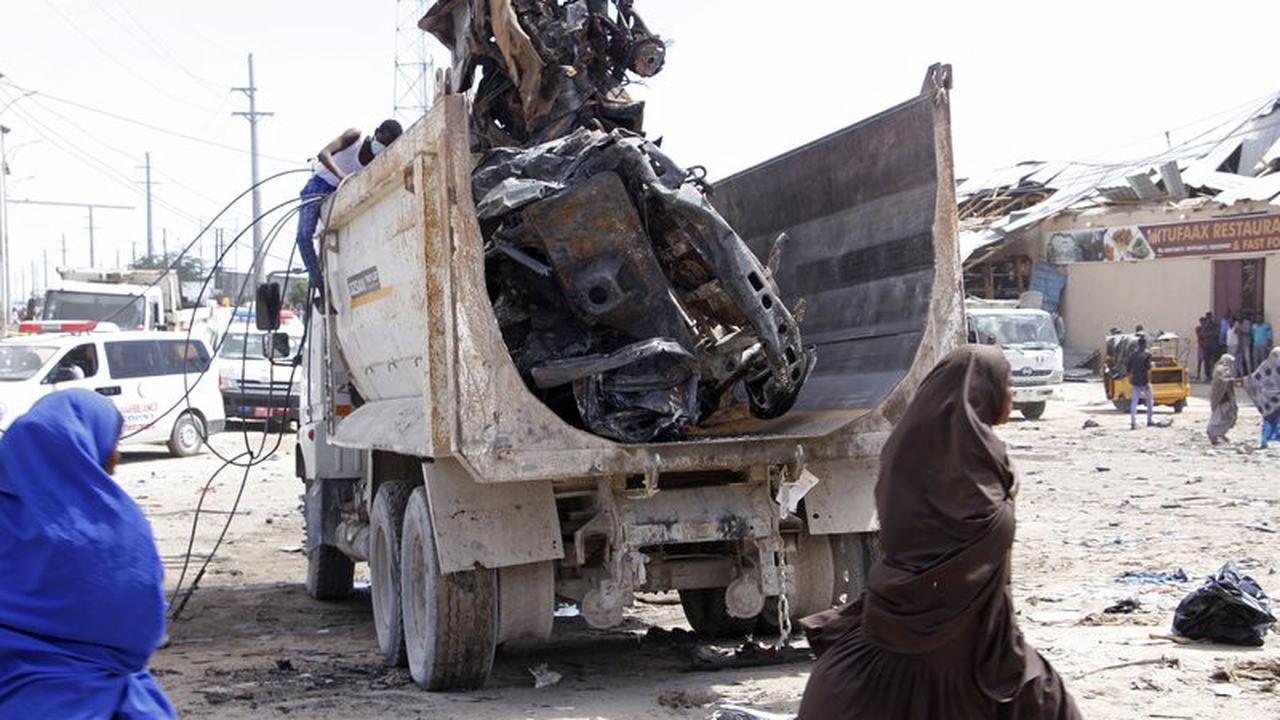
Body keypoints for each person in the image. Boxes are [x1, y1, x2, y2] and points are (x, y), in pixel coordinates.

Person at [797, 346, 1081, 720]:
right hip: (966, 640)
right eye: (1007, 383)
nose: (1012, 394)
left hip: (901, 622)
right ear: (982, 390)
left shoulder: (905, 452)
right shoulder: (978, 466)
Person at [0, 390, 175, 719]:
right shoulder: (114, 527)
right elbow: (139, 632)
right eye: (114, 442)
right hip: (97, 702)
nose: (117, 456)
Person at [295, 119, 404, 289]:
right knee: (303, 236)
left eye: (387, 146)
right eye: (383, 141)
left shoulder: (376, 163)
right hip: (319, 186)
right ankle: (319, 284)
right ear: (376, 132)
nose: (383, 147)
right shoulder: (354, 137)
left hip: (340, 196)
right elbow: (323, 154)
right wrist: (342, 178)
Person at [1244, 347, 1280, 449]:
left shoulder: (1265, 365)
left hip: (1267, 402)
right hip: (1277, 399)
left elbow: (1253, 379)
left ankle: (1264, 441)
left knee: (1268, 420)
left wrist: (1244, 381)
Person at [1207, 353, 1238, 445]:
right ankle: (1213, 434)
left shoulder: (1224, 369)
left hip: (1227, 397)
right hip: (1222, 398)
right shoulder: (1221, 369)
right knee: (1220, 418)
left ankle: (1220, 433)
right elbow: (1223, 381)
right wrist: (1233, 381)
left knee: (1230, 417)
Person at [1127, 335, 1155, 429]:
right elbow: (1148, 370)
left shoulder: (1133, 355)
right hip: (1145, 381)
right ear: (1145, 344)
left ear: (1138, 344)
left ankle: (1133, 422)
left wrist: (1130, 379)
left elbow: (1128, 369)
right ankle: (1149, 421)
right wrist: (1148, 382)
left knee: (1134, 402)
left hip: (1135, 381)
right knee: (1149, 401)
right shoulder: (1147, 355)